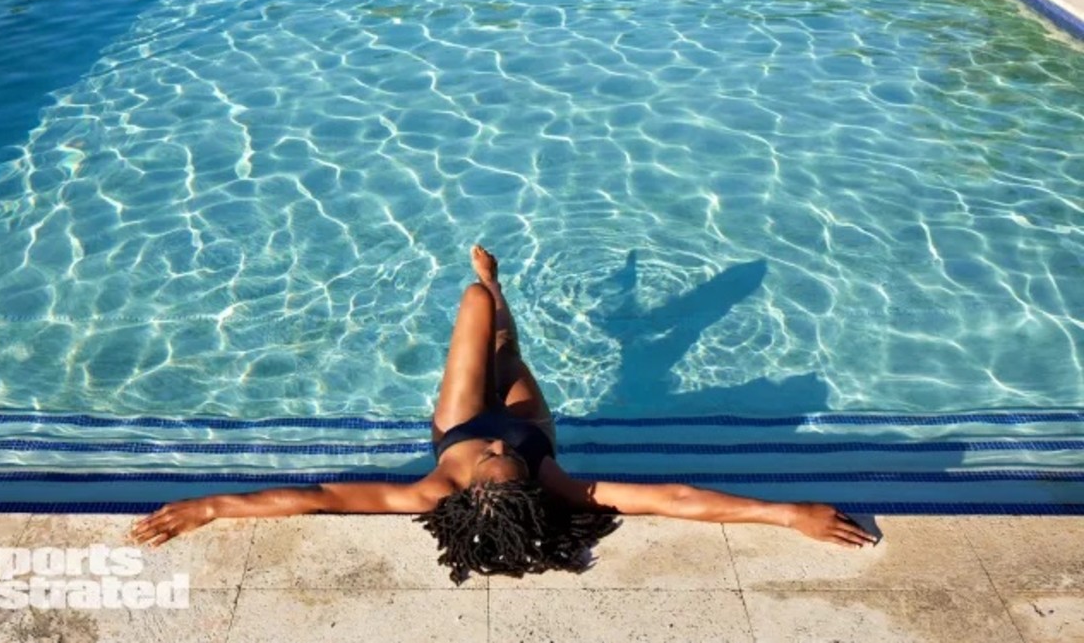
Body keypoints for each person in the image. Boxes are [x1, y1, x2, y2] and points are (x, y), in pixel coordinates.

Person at [131, 245, 876, 583]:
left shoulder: (434, 487)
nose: (495, 454)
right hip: (533, 414)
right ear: (525, 485)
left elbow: (317, 499)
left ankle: (487, 286)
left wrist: (211, 505)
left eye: (490, 468)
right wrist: (787, 513)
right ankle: (505, 296)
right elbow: (676, 499)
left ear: (470, 492)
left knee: (474, 306)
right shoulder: (550, 476)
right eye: (507, 466)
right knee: (508, 346)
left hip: (449, 415)